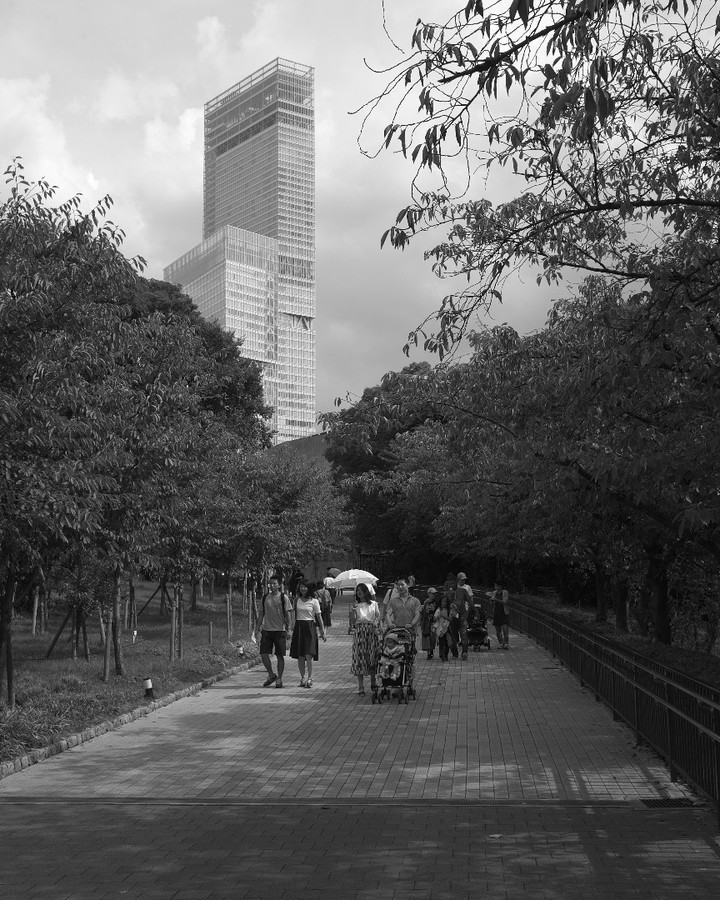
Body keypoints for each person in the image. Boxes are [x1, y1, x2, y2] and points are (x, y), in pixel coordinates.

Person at [255, 575, 291, 688]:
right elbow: (261, 614)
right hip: (267, 630)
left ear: (279, 585)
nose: (272, 585)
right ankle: (271, 675)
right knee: (264, 653)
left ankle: (279, 678)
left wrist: (289, 629)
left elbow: (288, 614)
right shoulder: (265, 597)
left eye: (274, 583)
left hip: (280, 630)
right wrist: (257, 628)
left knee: (280, 656)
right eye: (270, 583)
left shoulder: (283, 598)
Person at [290, 579, 327, 687]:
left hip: (310, 627)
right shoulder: (296, 600)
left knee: (309, 654)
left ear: (309, 588)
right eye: (301, 586)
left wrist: (322, 631)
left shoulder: (314, 601)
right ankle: (302, 678)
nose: (303, 589)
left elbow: (319, 617)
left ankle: (310, 678)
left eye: (305, 587)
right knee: (300, 656)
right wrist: (291, 627)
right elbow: (293, 614)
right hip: (299, 627)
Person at [350, 582, 381, 694]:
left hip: (371, 631)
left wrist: (375, 625)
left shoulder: (373, 604)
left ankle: (373, 682)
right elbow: (352, 622)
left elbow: (378, 617)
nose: (359, 592)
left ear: (366, 591)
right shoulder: (355, 605)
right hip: (359, 632)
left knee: (372, 656)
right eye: (357, 590)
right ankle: (361, 686)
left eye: (361, 590)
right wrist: (352, 611)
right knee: (359, 658)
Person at [452, 572, 476, 661]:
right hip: (454, 615)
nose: (463, 581)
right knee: (454, 634)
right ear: (458, 579)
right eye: (462, 579)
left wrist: (472, 610)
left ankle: (464, 652)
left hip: (463, 613)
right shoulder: (453, 589)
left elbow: (470, 600)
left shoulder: (466, 588)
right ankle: (455, 652)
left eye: (464, 579)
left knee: (464, 633)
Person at [491, 580, 510, 649]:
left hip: (504, 612)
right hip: (497, 612)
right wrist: (492, 601)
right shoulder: (494, 593)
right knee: (498, 630)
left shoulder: (505, 592)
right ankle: (501, 642)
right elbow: (493, 602)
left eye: (497, 585)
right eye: (495, 585)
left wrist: (496, 600)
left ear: (500, 586)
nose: (496, 587)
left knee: (505, 629)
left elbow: (505, 602)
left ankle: (506, 643)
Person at [420, 587, 439, 659]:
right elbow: (421, 612)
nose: (434, 595)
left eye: (435, 594)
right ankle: (428, 653)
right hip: (426, 621)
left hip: (433, 621)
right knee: (426, 636)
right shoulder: (424, 601)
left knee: (432, 638)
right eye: (433, 593)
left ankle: (431, 651)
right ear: (428, 594)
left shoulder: (436, 602)